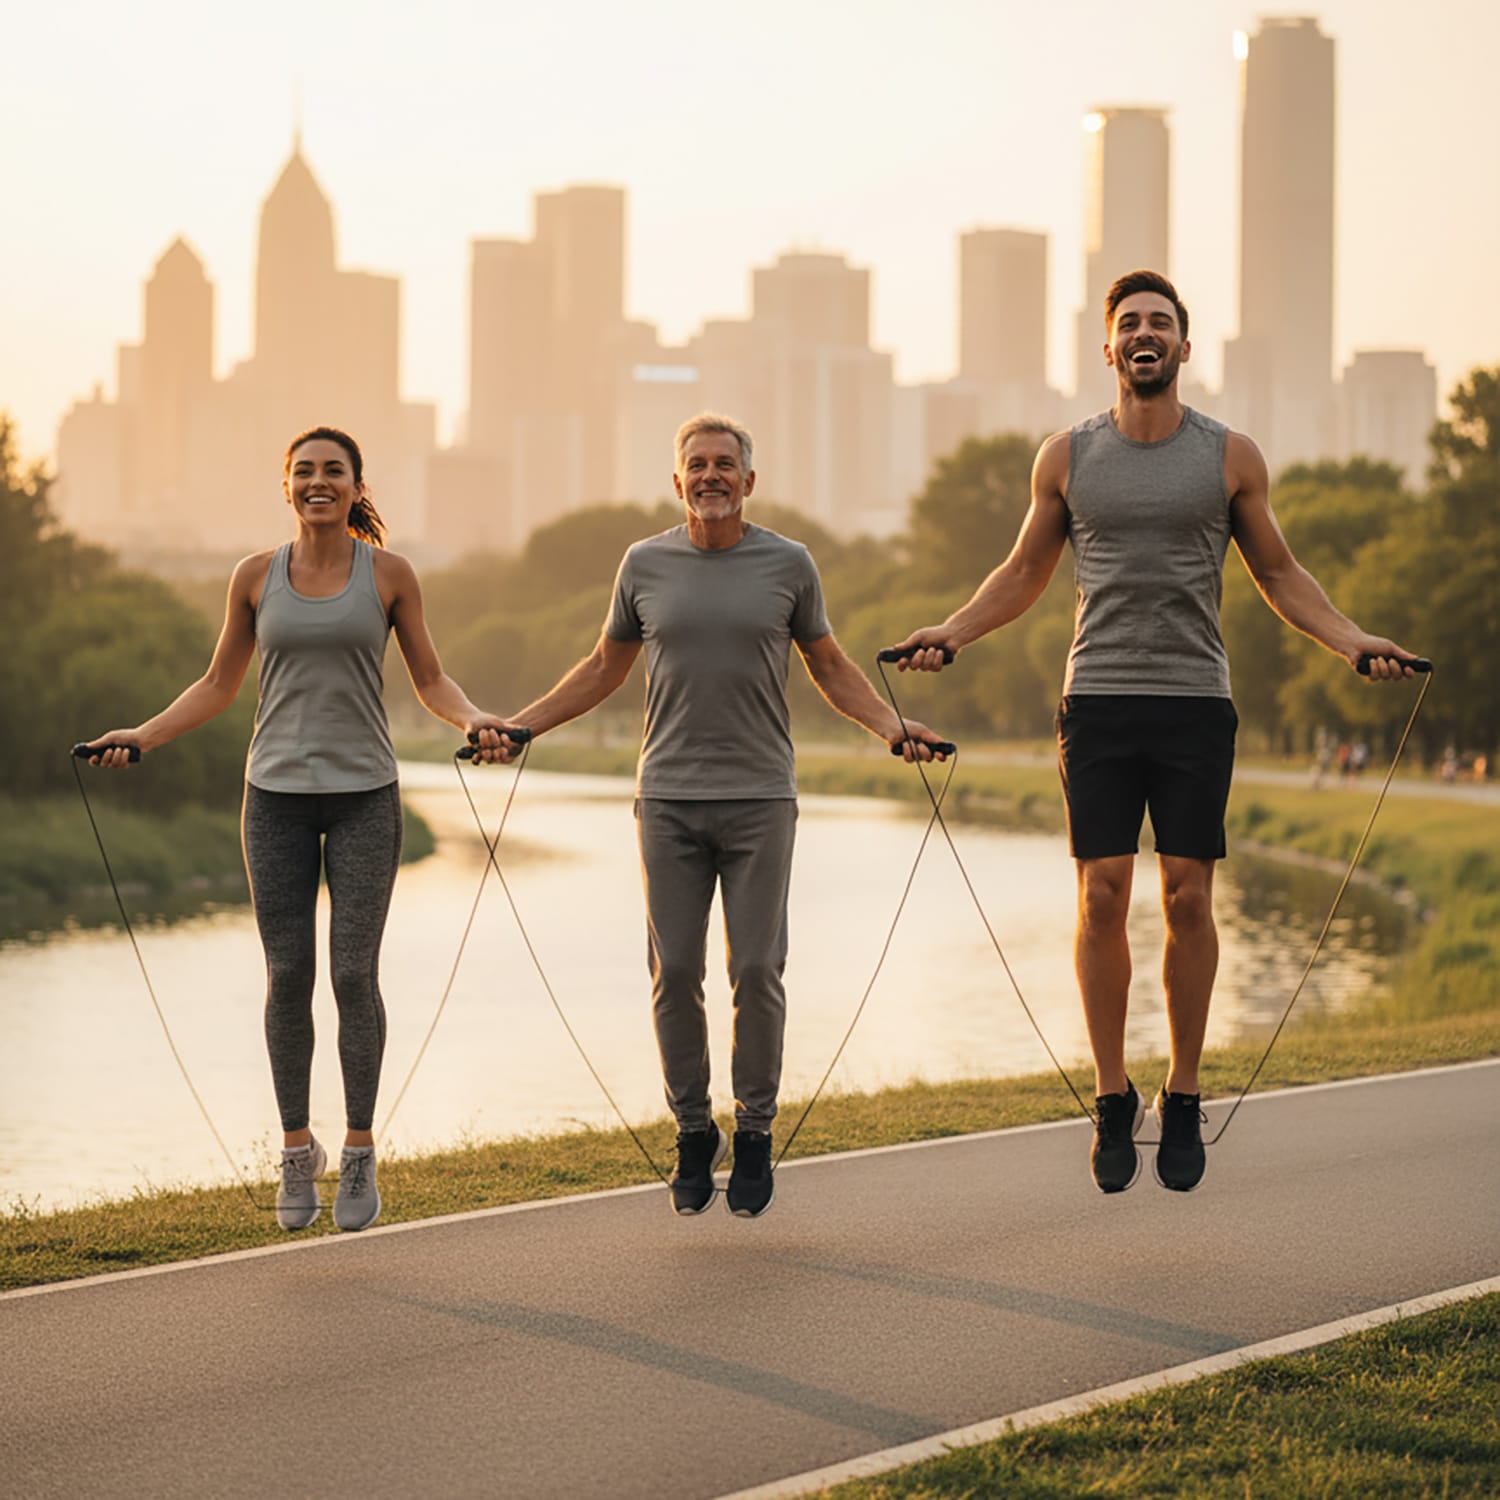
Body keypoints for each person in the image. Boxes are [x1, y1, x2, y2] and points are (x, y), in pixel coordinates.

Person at [891, 269, 1421, 1195]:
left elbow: (1282, 575)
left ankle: (1181, 1091)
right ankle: (1110, 1095)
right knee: (1101, 896)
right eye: (1129, 322)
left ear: (1183, 346)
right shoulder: (1066, 456)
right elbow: (1022, 572)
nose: (1144, 333)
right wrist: (952, 632)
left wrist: (1352, 641)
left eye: (1160, 323)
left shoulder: (1229, 456)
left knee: (1186, 898)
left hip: (1193, 705)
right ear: (1109, 348)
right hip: (1096, 702)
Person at [473, 412, 948, 1219]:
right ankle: (695, 1130)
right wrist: (523, 727)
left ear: (749, 481)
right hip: (666, 800)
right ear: (678, 481)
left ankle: (754, 1131)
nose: (712, 476)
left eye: (726, 464)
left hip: (762, 798)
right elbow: (601, 668)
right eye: (697, 465)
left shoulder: (789, 564)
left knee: (757, 971)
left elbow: (830, 666)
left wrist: (892, 728)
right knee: (677, 974)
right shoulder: (643, 564)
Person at [82, 426, 510, 1232]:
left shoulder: (388, 575)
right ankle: (293, 1150)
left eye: (334, 472)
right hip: (272, 797)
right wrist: (140, 736)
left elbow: (430, 677)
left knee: (354, 975)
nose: (319, 482)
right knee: (288, 977)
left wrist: (477, 715)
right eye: (304, 471)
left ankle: (356, 1151)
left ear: (356, 487)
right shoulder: (254, 577)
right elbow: (217, 684)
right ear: (286, 486)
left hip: (365, 797)